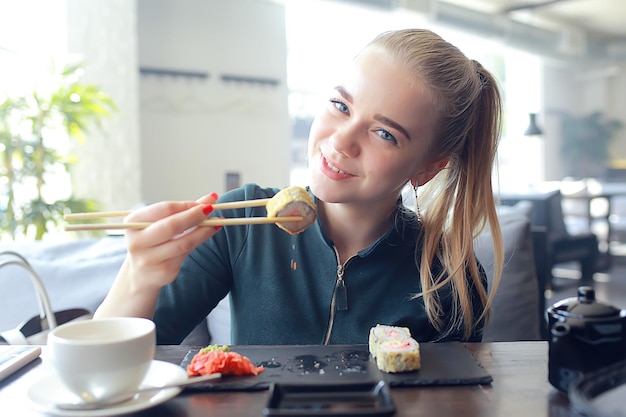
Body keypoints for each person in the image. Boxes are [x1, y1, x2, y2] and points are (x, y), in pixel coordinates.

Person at [95, 28, 504, 345]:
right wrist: (138, 274)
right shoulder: (243, 220)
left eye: (384, 133)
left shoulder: (451, 276)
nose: (341, 141)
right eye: (340, 106)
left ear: (429, 167)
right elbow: (108, 371)